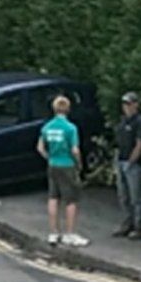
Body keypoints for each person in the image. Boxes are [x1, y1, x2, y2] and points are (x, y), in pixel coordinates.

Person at [37, 95, 89, 247]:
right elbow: (74, 149)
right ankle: (69, 234)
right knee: (71, 199)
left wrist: (49, 157)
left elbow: (40, 148)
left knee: (53, 198)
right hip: (67, 165)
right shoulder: (71, 128)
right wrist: (79, 164)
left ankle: (53, 233)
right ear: (68, 109)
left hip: (53, 164)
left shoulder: (47, 127)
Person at [113, 91, 141, 239]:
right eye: (124, 104)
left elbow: (140, 144)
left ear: (136, 105)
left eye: (129, 104)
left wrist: (131, 161)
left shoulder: (140, 122)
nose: (126, 107)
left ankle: (139, 227)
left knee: (136, 197)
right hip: (121, 159)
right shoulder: (123, 121)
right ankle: (127, 223)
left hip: (134, 163)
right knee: (124, 196)